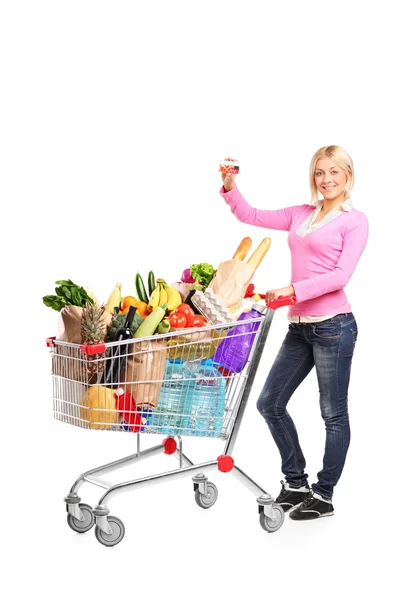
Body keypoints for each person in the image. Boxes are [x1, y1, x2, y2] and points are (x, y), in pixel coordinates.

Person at [220, 146, 368, 520]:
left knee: (333, 414)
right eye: (319, 172)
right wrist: (229, 185)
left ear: (347, 175)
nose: (326, 179)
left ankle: (324, 494)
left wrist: (291, 290)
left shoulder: (355, 221)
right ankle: (296, 483)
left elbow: (340, 276)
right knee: (269, 402)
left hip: (334, 326)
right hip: (299, 326)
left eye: (334, 172)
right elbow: (251, 214)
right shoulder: (301, 215)